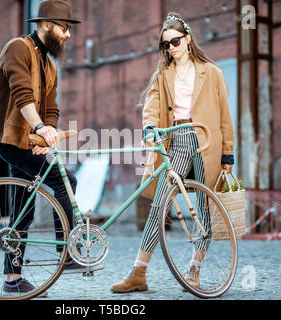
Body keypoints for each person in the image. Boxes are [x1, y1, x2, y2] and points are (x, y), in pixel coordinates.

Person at [111, 12, 235, 293]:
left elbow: (226, 117)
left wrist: (228, 156)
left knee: (204, 209)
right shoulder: (163, 75)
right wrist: (150, 127)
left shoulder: (212, 73)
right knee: (158, 206)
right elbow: (152, 106)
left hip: (206, 142)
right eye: (166, 44)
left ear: (188, 39)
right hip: (175, 140)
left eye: (175, 41)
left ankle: (194, 270)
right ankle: (138, 273)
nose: (171, 48)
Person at [0, 0, 103, 295]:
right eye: (64, 28)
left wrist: (45, 133)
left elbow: (51, 107)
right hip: (11, 139)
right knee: (66, 180)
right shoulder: (18, 48)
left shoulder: (48, 65)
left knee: (22, 210)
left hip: (29, 141)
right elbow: (21, 94)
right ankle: (65, 254)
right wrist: (39, 129)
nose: (67, 35)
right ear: (47, 25)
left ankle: (12, 280)